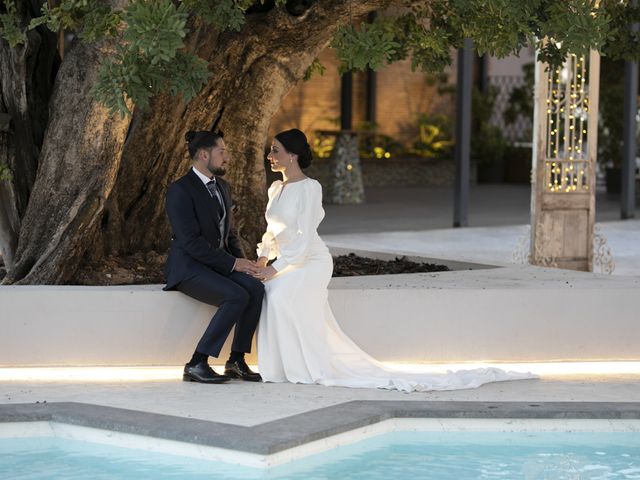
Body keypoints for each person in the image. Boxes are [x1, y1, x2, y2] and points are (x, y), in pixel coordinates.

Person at [252, 129, 535, 392]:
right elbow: (272, 231)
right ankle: (284, 367)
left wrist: (275, 269)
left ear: (293, 155)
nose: (270, 156)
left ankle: (308, 367)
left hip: (311, 261)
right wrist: (264, 258)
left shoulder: (310, 188)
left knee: (279, 294)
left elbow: (302, 238)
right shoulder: (276, 189)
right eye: (271, 151)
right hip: (288, 258)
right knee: (271, 292)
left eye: (275, 151)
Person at [164, 130, 263, 384]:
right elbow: (190, 243)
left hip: (217, 265)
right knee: (236, 295)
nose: (226, 157)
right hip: (189, 268)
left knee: (255, 288)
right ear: (203, 154)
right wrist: (232, 263)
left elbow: (230, 234)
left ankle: (236, 361)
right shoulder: (180, 190)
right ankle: (197, 363)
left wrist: (244, 265)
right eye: (222, 152)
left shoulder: (223, 187)